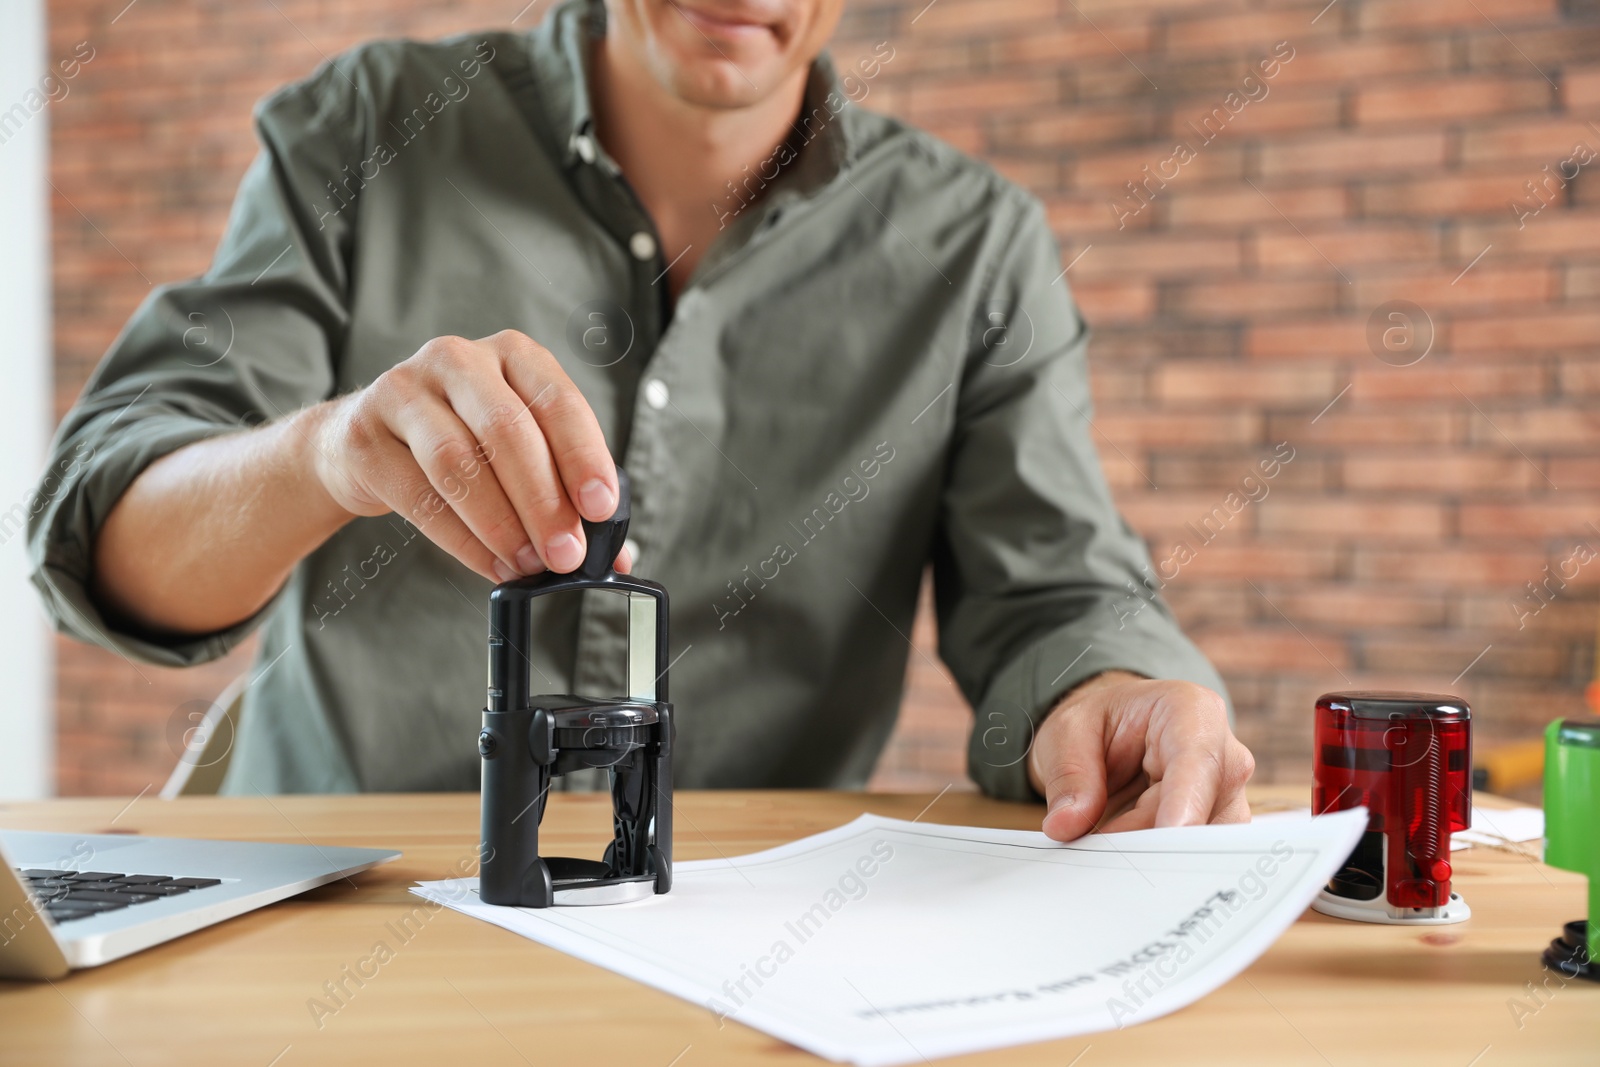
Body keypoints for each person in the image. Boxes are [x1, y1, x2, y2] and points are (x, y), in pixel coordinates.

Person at [28, 0, 1252, 840]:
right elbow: (103, 542)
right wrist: (324, 452)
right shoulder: (362, 129)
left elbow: (1052, 593)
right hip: (335, 913)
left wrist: (1115, 689)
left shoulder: (976, 250)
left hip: (743, 944)